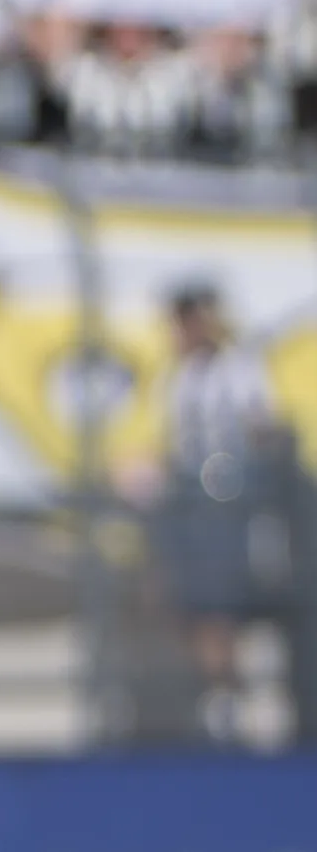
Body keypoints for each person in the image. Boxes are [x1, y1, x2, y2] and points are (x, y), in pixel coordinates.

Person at [160, 283, 293, 744]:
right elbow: (177, 443)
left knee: (225, 608)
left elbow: (261, 431)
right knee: (197, 609)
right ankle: (216, 699)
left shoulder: (239, 371)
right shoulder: (179, 378)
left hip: (229, 508)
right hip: (191, 509)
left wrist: (228, 478)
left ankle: (236, 701)